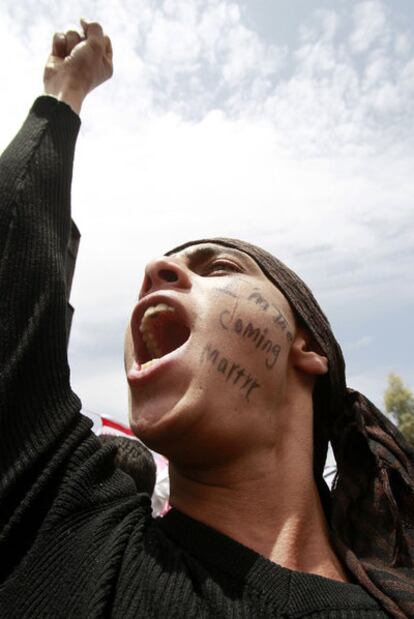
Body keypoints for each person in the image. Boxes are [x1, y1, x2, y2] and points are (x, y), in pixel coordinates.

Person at [0, 20, 413, 618]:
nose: (155, 270)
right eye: (162, 266)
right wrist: (64, 94)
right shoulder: (69, 541)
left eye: (217, 267)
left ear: (307, 347)